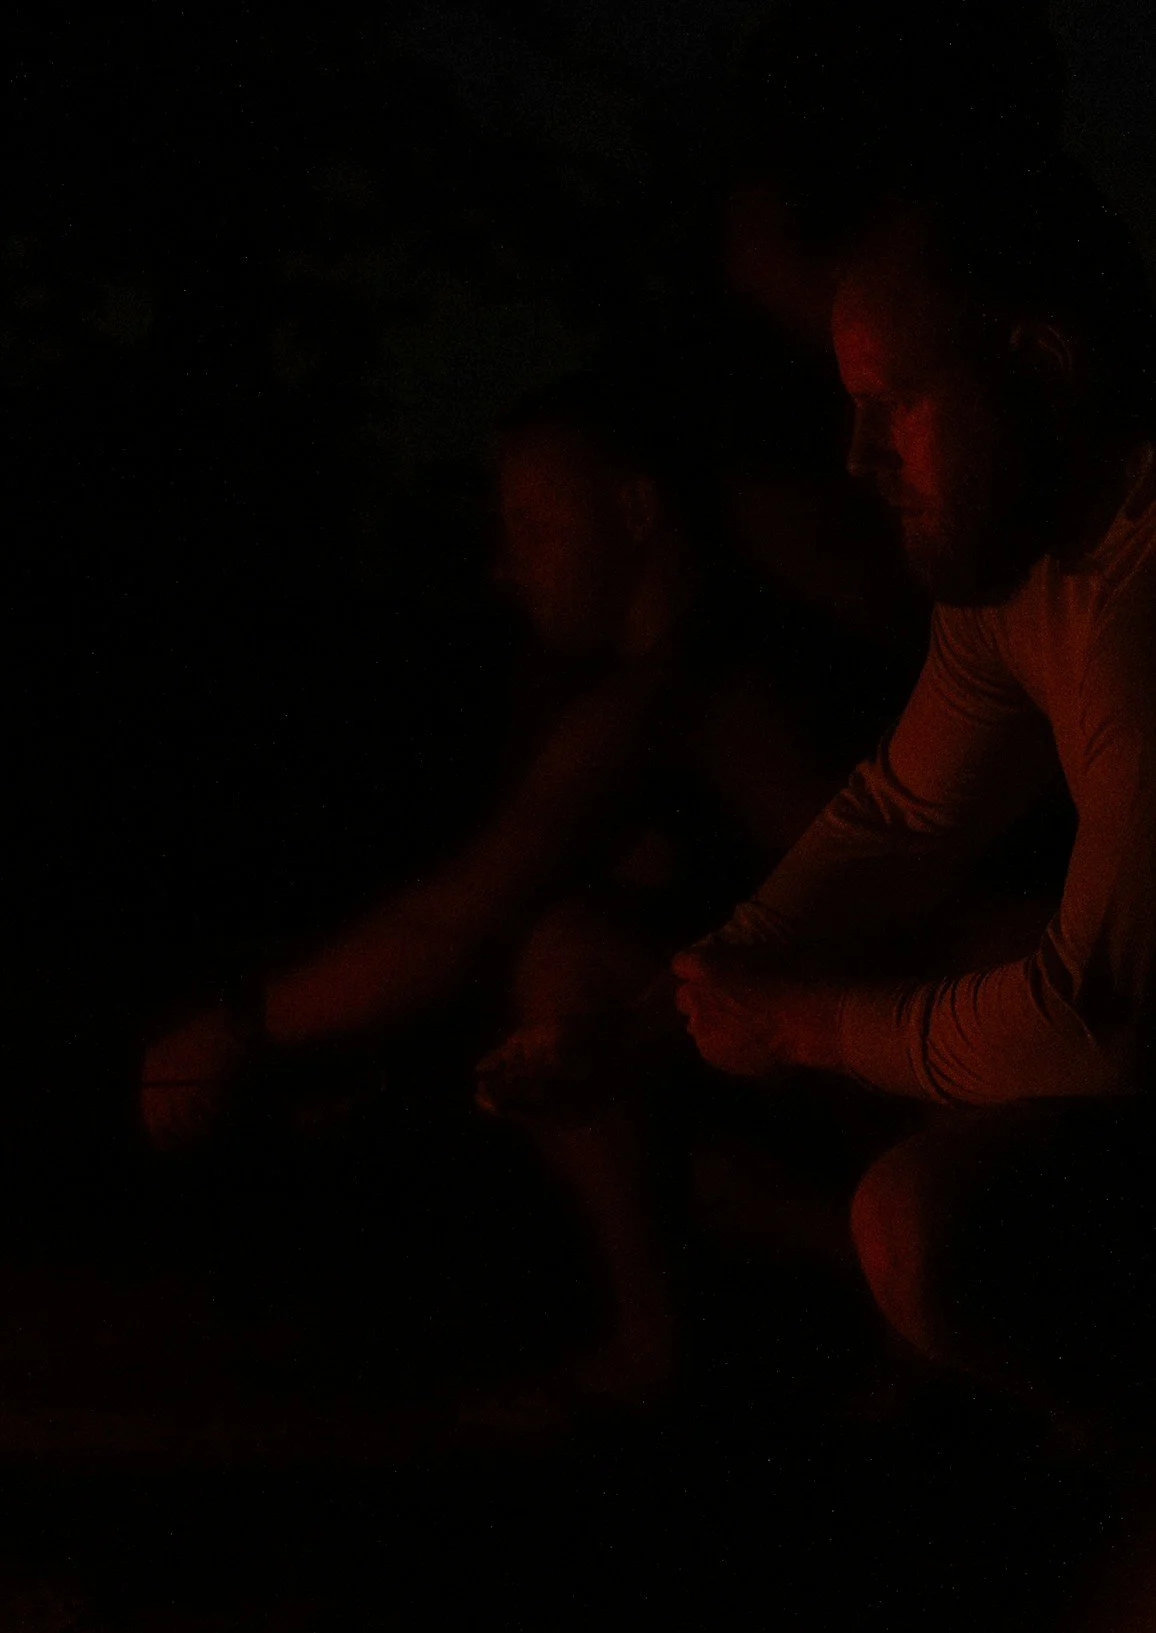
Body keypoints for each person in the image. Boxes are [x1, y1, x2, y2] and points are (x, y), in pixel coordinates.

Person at [142, 369, 856, 1399]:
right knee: (550, 1039)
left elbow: (458, 925)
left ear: (634, 509)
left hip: (894, 1064)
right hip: (827, 1065)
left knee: (568, 955)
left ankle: (665, 1352)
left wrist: (240, 1028)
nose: (504, 566)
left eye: (531, 527)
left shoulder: (688, 685)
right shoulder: (662, 673)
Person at [673, 161, 1156, 1417]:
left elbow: (1097, 1025)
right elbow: (905, 811)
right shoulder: (1025, 553)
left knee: (923, 1215)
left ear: (1041, 366)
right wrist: (704, 982)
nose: (854, 458)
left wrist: (806, 1024)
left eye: (889, 403)